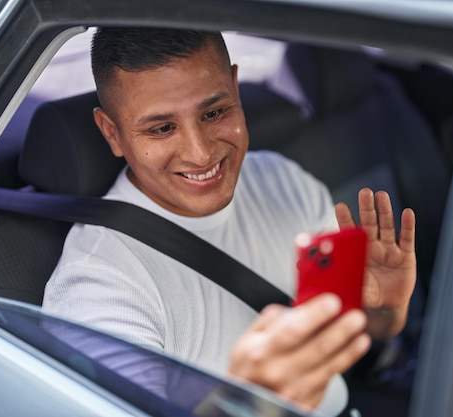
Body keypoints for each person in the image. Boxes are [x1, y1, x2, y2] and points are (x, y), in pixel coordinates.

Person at [42, 27, 417, 415]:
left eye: (214, 112)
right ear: (112, 133)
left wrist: (383, 312)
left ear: (235, 90)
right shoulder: (99, 283)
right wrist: (240, 406)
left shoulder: (283, 180)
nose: (200, 152)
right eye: (161, 128)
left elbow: (352, 338)